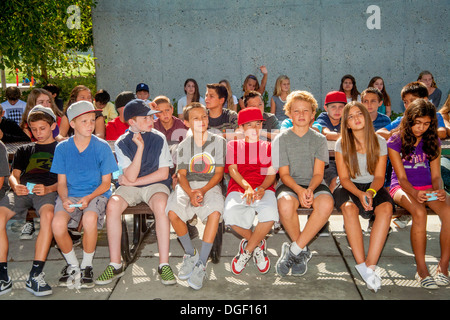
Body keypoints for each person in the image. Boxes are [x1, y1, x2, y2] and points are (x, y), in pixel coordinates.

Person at [96, 99, 176, 286]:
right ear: (132, 122)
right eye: (146, 117)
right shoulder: (122, 142)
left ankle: (163, 263)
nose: (151, 120)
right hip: (131, 186)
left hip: (155, 184)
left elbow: (163, 173)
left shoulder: (158, 138)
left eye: (151, 116)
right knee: (113, 205)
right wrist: (139, 148)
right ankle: (115, 263)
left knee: (161, 205)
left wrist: (134, 181)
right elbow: (129, 175)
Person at [50, 101, 118, 289]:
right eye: (84, 121)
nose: (90, 125)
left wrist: (88, 199)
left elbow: (106, 183)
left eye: (92, 120)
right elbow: (62, 183)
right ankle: (73, 265)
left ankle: (87, 265)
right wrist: (64, 200)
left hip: (96, 193)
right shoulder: (62, 148)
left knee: (89, 219)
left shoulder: (102, 146)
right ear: (72, 124)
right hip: (71, 195)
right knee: (57, 224)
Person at [387, 99, 450, 289]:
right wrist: (415, 193)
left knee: (449, 214)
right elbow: (402, 179)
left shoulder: (433, 141)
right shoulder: (395, 140)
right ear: (409, 119)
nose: (421, 128)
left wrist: (439, 189)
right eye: (417, 122)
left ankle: (443, 266)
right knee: (420, 213)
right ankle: (422, 270)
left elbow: (437, 175)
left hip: (428, 187)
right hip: (402, 188)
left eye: (426, 124)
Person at [272, 90, 334, 277]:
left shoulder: (319, 139)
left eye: (305, 111)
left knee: (326, 203)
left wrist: (309, 190)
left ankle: (293, 251)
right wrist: (299, 191)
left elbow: (318, 173)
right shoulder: (281, 139)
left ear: (313, 114)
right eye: (296, 111)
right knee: (284, 203)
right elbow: (284, 174)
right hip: (290, 184)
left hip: (313, 183)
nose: (300, 115)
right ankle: (302, 250)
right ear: (289, 113)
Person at [333, 102, 394, 292]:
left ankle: (371, 266)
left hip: (373, 187)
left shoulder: (379, 142)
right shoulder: (341, 143)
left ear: (366, 117)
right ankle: (362, 265)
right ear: (347, 124)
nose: (356, 118)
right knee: (349, 209)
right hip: (349, 185)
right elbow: (343, 178)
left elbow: (378, 177)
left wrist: (370, 192)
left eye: (359, 114)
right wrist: (359, 194)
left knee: (386, 208)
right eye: (350, 117)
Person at [0, 106, 59, 296]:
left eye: (42, 128)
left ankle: (35, 275)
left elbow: (68, 179)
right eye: (34, 129)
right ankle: (3, 276)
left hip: (47, 191)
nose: (38, 133)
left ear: (53, 126)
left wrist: (50, 188)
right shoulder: (25, 149)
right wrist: (16, 185)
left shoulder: (61, 148)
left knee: (48, 216)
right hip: (22, 190)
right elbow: (13, 175)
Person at [166, 102, 225, 289]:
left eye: (204, 116)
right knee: (173, 212)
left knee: (215, 212)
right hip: (188, 186)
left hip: (210, 186)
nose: (201, 121)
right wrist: (190, 192)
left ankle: (201, 262)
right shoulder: (184, 145)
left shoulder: (218, 142)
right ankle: (190, 254)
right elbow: (182, 175)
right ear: (186, 123)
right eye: (195, 118)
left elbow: (218, 174)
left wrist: (203, 190)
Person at [224, 107, 278, 275]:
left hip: (264, 188)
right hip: (239, 187)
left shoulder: (268, 146)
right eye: (249, 125)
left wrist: (261, 187)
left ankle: (247, 250)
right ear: (240, 128)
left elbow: (271, 174)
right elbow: (233, 170)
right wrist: (247, 187)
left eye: (258, 124)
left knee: (270, 214)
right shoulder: (233, 145)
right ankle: (257, 244)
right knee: (230, 215)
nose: (255, 129)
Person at [377, 81, 447, 142]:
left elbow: (442, 133)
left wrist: (415, 132)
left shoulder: (435, 116)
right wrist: (392, 134)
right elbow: (379, 132)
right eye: (405, 102)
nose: (408, 105)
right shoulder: (403, 119)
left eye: (413, 101)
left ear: (425, 100)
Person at [316, 91, 347, 193]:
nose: (337, 110)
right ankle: (331, 203)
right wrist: (348, 137)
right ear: (326, 108)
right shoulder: (323, 117)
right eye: (333, 107)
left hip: (347, 159)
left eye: (341, 107)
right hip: (328, 160)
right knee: (335, 180)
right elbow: (326, 133)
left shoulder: (348, 119)